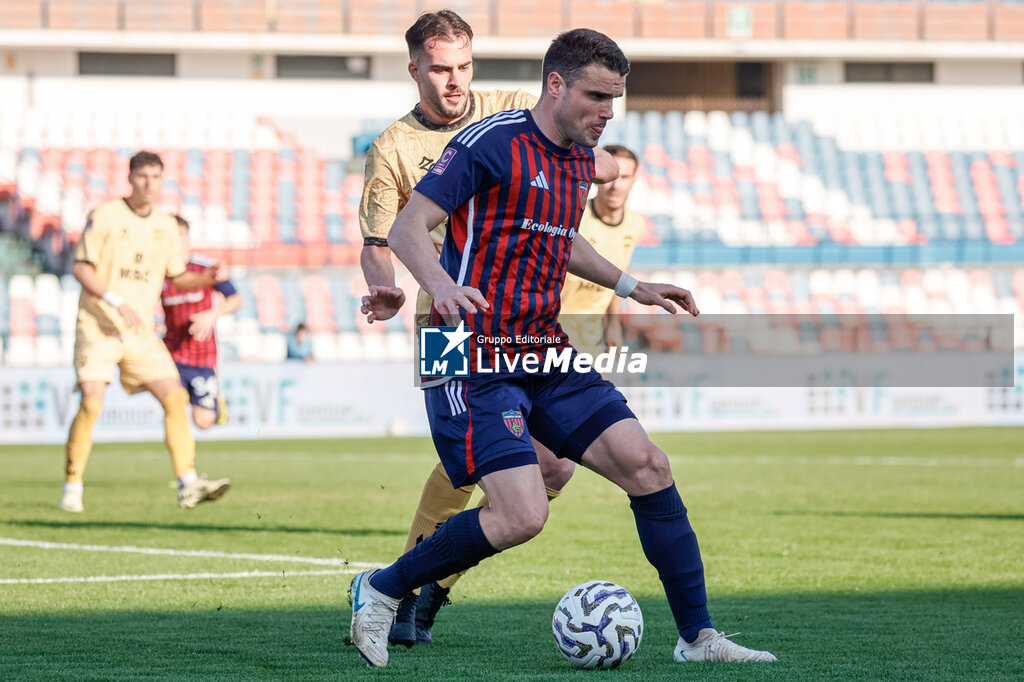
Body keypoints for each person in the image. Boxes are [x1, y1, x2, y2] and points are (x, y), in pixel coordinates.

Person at [350, 29, 776, 668]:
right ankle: (385, 589)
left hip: (540, 345)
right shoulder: (487, 143)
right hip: (467, 347)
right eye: (598, 96)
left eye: (616, 99)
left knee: (647, 466)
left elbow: (560, 239)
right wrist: (439, 286)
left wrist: (633, 286)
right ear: (556, 85)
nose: (609, 112)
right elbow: (409, 224)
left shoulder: (578, 155)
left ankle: (698, 638)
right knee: (520, 512)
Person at [357, 9, 618, 648]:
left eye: (464, 66)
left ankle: (433, 584)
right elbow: (378, 238)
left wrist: (601, 164)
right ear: (415, 68)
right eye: (441, 68)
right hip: (443, 320)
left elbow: (588, 153)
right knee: (464, 467)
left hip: (522, 318)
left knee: (554, 470)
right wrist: (382, 285)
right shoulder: (392, 147)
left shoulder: (508, 106)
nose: (455, 80)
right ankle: (401, 591)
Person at [60, 151, 230, 513]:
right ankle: (73, 483)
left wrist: (208, 278)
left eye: (156, 176)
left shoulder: (167, 226)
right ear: (130, 177)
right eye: (143, 176)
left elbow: (178, 276)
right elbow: (81, 268)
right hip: (99, 326)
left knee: (175, 398)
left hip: (139, 333)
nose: (149, 183)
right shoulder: (105, 215)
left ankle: (187, 482)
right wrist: (115, 300)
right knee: (91, 403)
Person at [559, 144, 644, 356]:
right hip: (554, 333)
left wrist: (614, 325)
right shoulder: (574, 216)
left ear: (634, 180)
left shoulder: (635, 224)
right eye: (612, 176)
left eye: (624, 177)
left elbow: (619, 273)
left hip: (592, 339)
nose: (616, 185)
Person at [161, 215, 241, 429]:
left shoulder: (204, 268)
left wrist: (211, 315)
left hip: (202, 354)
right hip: (171, 352)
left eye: (180, 235)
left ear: (188, 237)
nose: (176, 240)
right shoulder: (159, 272)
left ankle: (214, 400)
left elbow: (236, 299)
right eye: (171, 236)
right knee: (173, 405)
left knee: (203, 422)